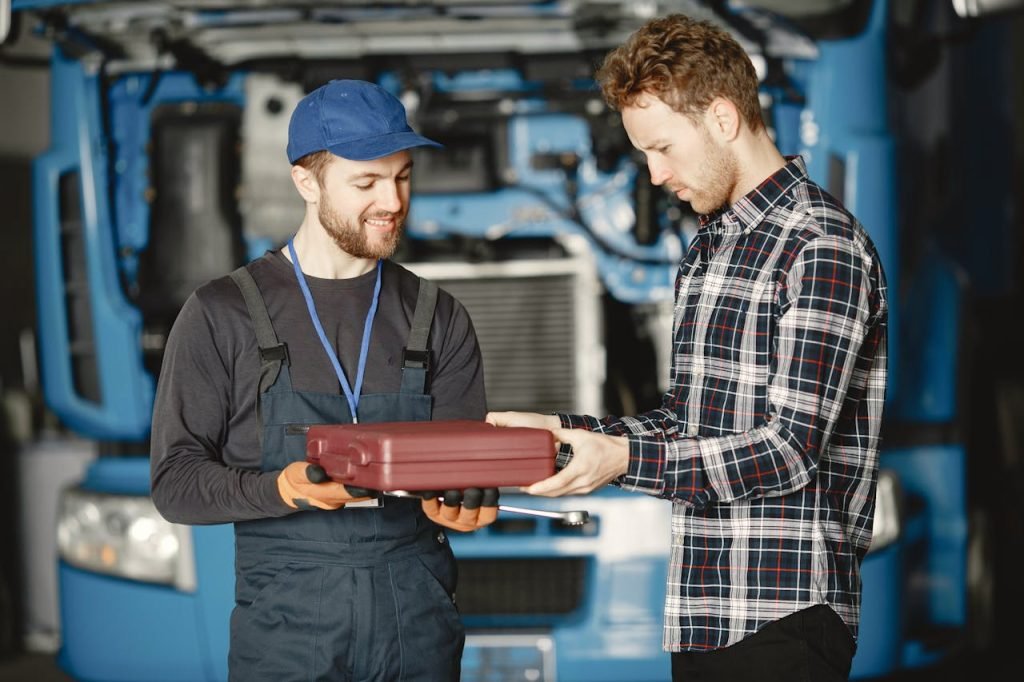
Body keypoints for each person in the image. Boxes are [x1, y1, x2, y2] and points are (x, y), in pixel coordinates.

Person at [488, 14, 888, 682]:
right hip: (704, 612)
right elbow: (689, 425)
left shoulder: (820, 247)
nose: (653, 173)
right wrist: (568, 434)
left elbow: (788, 450)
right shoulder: (710, 247)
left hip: (783, 616)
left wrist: (619, 459)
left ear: (724, 120)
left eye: (664, 148)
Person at [150, 79, 497, 682]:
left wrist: (468, 501)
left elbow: (468, 472)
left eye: (403, 176)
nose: (392, 200)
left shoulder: (437, 316)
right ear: (305, 182)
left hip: (415, 619)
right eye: (366, 182)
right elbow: (175, 483)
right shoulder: (223, 313)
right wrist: (280, 490)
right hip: (285, 627)